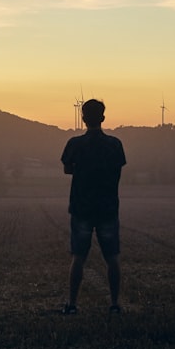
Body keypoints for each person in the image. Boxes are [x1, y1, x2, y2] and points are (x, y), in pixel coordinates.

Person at [60, 98, 127, 315]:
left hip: (81, 206)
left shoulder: (74, 144)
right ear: (103, 118)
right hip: (107, 207)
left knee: (78, 257)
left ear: (82, 118)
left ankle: (72, 304)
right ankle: (115, 304)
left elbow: (67, 169)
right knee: (113, 258)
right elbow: (118, 171)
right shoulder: (115, 144)